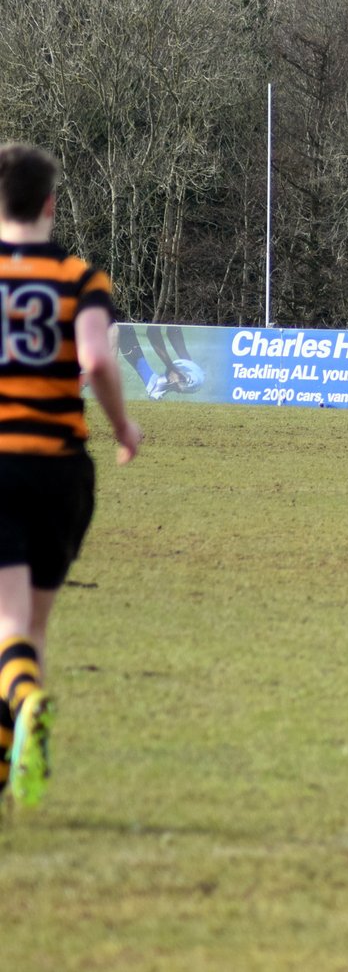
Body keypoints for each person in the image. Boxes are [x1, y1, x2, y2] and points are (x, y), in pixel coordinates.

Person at [0, 143, 142, 807]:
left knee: (7, 627)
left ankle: (28, 699)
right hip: (62, 471)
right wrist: (124, 428)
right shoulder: (80, 276)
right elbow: (98, 361)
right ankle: (12, 769)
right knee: (31, 629)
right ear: (50, 204)